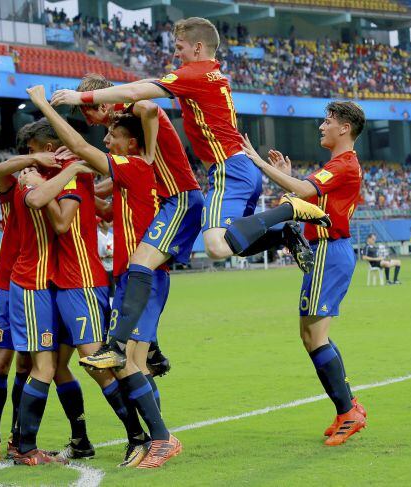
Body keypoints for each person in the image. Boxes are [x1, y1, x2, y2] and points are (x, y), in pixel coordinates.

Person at [52, 18, 329, 368]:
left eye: (179, 47)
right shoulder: (208, 76)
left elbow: (142, 98)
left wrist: (82, 95)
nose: (175, 53)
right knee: (225, 245)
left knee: (212, 246)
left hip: (224, 172)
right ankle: (283, 232)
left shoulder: (193, 75)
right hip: (230, 169)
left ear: (197, 47)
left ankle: (288, 213)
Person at [28, 84, 181, 469]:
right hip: (127, 278)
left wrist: (46, 106)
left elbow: (82, 146)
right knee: (122, 361)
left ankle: (158, 439)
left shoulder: (137, 166)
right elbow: (106, 208)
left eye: (115, 134)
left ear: (132, 144)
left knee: (128, 361)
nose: (107, 137)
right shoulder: (129, 177)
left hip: (144, 277)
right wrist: (73, 176)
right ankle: (150, 439)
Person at [241, 101, 368, 446]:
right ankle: (349, 406)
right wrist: (288, 173)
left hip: (329, 251)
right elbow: (308, 203)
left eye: (327, 121)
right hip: (326, 251)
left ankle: (348, 412)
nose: (321, 127)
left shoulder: (344, 164)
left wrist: (259, 163)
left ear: (345, 128)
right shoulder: (339, 166)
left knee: (314, 336)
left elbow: (304, 193)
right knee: (313, 335)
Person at [67, 73, 202, 372]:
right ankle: (149, 347)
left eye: (88, 109)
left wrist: (150, 154)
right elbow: (113, 182)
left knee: (140, 266)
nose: (88, 119)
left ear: (102, 105)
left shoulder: (132, 108)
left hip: (180, 197)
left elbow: (151, 109)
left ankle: (132, 346)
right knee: (142, 269)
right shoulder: (125, 125)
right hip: (170, 201)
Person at [0, 122, 50, 462]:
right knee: (0, 361)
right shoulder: (16, 180)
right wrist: (34, 160)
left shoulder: (46, 183)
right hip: (6, 282)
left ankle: (16, 436)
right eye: (35, 149)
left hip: (35, 280)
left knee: (26, 364)